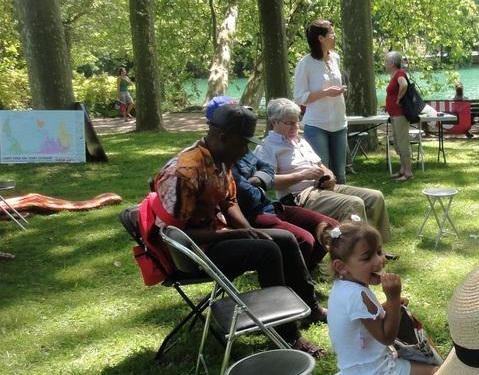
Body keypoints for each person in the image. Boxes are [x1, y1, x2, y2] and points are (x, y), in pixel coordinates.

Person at [152, 101, 325, 355]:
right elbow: (173, 234)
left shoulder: (221, 160)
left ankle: (310, 307)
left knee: (285, 239)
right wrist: (237, 234)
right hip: (190, 252)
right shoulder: (185, 171)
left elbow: (229, 201)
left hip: (216, 237)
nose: (245, 150)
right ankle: (287, 335)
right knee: (267, 251)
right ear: (222, 136)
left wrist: (248, 230)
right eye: (242, 143)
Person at [322, 220, 457, 375]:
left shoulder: (344, 288)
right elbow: (386, 336)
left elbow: (366, 321)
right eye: (367, 258)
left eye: (379, 251)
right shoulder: (359, 296)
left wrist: (387, 307)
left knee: (407, 357)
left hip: (355, 369)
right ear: (342, 267)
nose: (379, 261)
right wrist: (393, 300)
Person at [205, 96, 339, 271]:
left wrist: (258, 180)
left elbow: (266, 168)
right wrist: (262, 183)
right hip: (254, 213)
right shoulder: (219, 157)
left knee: (330, 227)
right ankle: (294, 278)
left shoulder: (242, 146)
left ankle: (304, 270)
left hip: (271, 206)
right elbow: (248, 196)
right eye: (235, 117)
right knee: (304, 239)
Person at [255, 98, 392, 242]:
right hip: (300, 196)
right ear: (274, 122)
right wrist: (302, 175)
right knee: (354, 203)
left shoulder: (300, 141)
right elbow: (269, 182)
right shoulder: (267, 147)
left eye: (297, 121)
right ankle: (354, 249)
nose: (295, 126)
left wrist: (329, 174)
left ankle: (376, 246)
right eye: (290, 123)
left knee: (375, 197)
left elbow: (320, 165)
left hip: (322, 189)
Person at [293, 19, 348, 183]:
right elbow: (299, 97)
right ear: (320, 38)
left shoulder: (335, 58)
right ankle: (321, 200)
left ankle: (343, 200)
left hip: (339, 123)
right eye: (331, 33)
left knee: (340, 174)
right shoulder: (305, 64)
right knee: (323, 176)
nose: (334, 36)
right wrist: (325, 93)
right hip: (317, 125)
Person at [384, 50, 414, 181]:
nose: (384, 64)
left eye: (386, 61)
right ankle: (402, 169)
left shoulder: (400, 74)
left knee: (402, 142)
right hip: (394, 114)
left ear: (392, 63)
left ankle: (408, 172)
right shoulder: (394, 75)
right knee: (397, 142)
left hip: (400, 114)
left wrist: (398, 99)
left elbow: (404, 85)